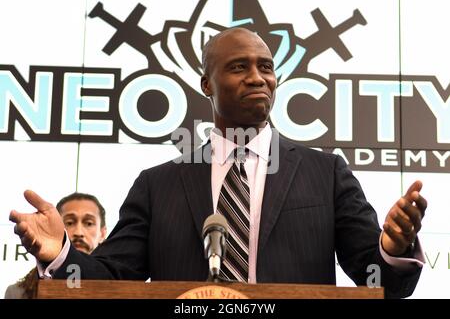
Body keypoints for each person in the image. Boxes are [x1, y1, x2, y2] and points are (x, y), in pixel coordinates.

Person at [9, 28, 427, 298]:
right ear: (207, 83)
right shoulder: (158, 185)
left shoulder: (325, 173)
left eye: (266, 67)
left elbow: (383, 284)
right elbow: (113, 278)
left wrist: (392, 250)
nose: (257, 77)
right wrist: (60, 255)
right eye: (238, 67)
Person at [5, 193, 107, 299]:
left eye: (89, 223)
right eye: (70, 223)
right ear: (55, 227)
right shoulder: (18, 293)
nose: (78, 232)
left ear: (103, 233)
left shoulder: (118, 283)